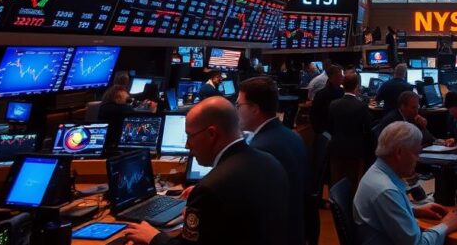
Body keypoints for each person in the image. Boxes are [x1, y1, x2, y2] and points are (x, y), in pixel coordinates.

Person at [124, 97, 289, 245]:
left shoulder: (210, 188)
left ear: (211, 134)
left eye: (190, 136)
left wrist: (154, 237)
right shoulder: (271, 162)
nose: (187, 145)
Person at [354, 122, 457, 245]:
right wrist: (446, 225)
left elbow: (387, 212)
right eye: (416, 153)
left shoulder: (376, 173)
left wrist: (415, 210)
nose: (418, 159)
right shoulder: (386, 191)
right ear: (399, 153)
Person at [236, 77, 309, 245]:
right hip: (295, 231)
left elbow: (248, 207)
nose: (236, 110)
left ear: (254, 109)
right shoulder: (293, 136)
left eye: (239, 105)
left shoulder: (259, 149)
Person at [329, 72, 374, 188]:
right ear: (357, 87)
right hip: (355, 150)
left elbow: (330, 126)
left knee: (336, 181)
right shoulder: (361, 106)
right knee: (353, 183)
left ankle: (336, 205)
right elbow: (369, 128)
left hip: (336, 147)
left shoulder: (333, 104)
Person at [375, 91, 447, 148]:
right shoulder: (394, 121)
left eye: (417, 107)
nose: (416, 111)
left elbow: (426, 138)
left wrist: (440, 141)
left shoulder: (410, 117)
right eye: (413, 107)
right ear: (402, 106)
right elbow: (410, 143)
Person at [310, 65, 344, 134]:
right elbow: (314, 117)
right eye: (340, 76)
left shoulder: (341, 91)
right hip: (329, 131)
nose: (342, 78)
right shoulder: (322, 94)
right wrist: (323, 134)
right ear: (332, 78)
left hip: (335, 129)